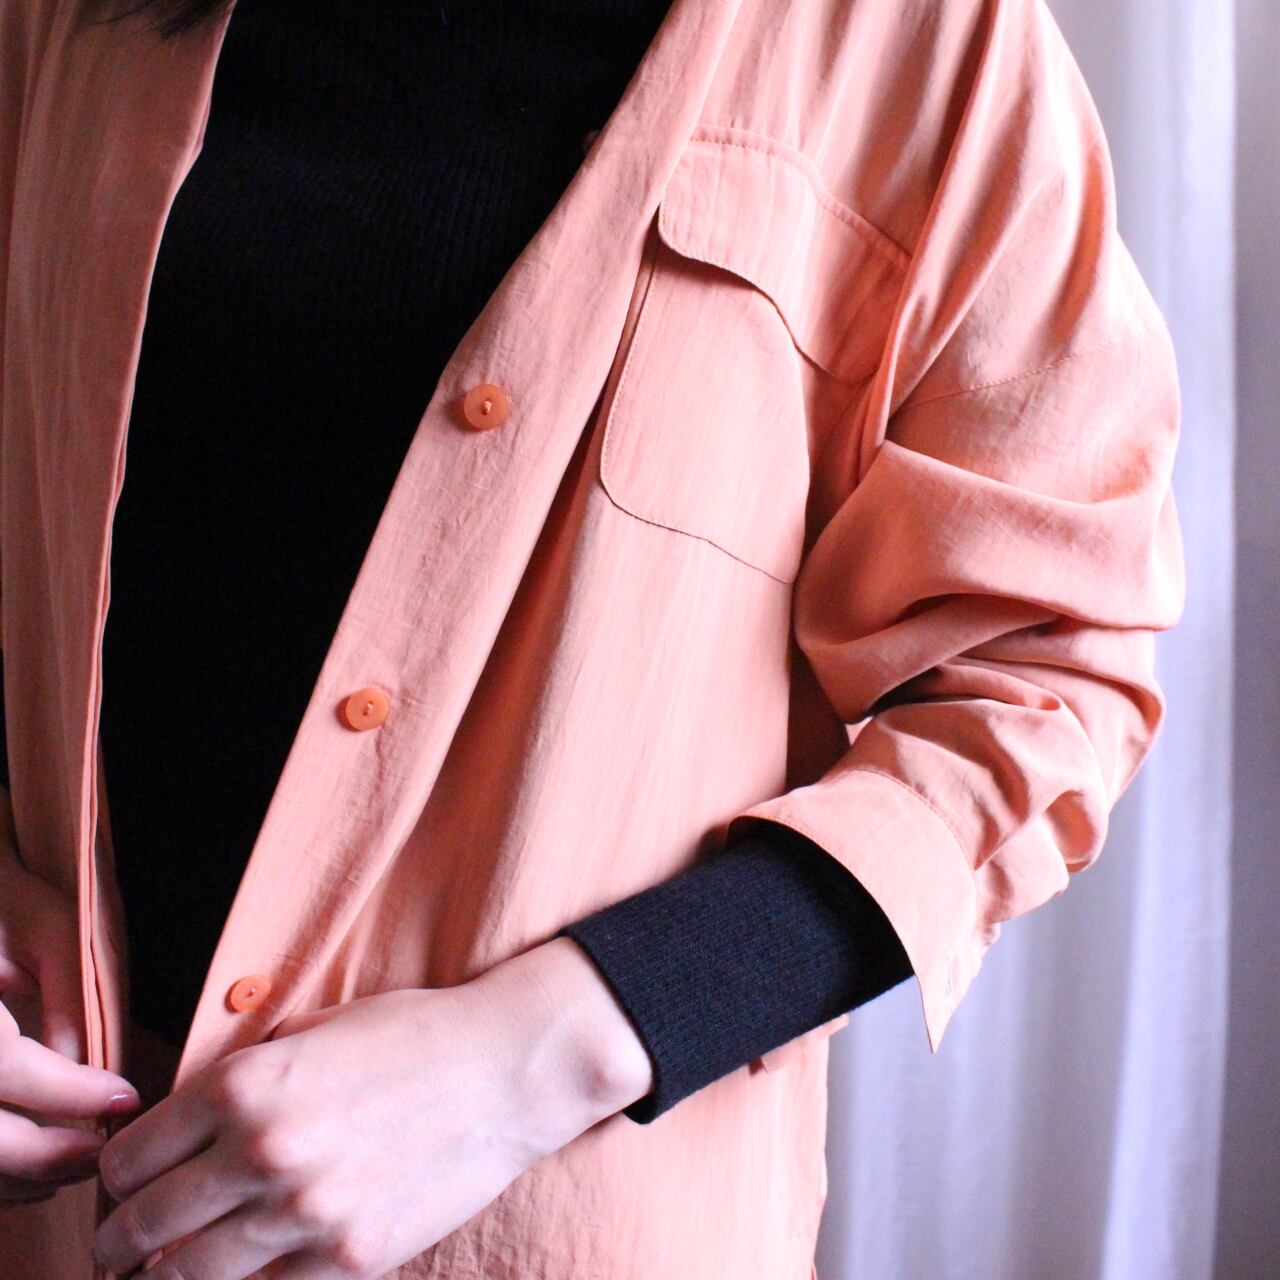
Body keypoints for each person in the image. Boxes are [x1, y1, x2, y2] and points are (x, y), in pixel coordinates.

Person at [0, 0, 1185, 1277]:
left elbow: (1045, 679)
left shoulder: (915, 42)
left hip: (553, 1226)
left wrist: (532, 1054)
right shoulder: (56, 26)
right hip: (61, 1212)